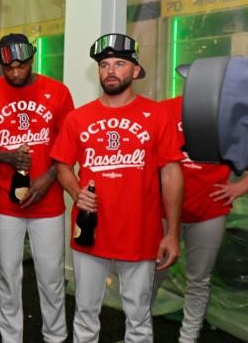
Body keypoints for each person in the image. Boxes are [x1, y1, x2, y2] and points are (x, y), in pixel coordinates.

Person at [50, 33, 184, 342]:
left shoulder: (157, 114)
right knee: (85, 313)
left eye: (120, 64)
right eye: (104, 65)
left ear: (136, 71)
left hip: (141, 232)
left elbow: (171, 173)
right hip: (90, 230)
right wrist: (76, 191)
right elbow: (62, 165)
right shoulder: (78, 118)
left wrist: (173, 233)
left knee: (138, 316)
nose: (110, 71)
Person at [0, 33, 72, 342]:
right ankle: (11, 338)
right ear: (0, 65)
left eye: (22, 65)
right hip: (4, 204)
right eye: (9, 68)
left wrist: (50, 176)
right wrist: (6, 156)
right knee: (7, 277)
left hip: (48, 202)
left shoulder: (58, 92)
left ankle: (55, 337)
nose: (16, 73)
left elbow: (69, 146)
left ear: (32, 59)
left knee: (52, 277)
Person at [155, 95, 248, 343]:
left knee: (199, 280)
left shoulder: (233, 114)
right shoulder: (165, 110)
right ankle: (139, 332)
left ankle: (188, 338)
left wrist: (243, 185)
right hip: (163, 210)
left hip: (209, 210)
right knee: (152, 275)